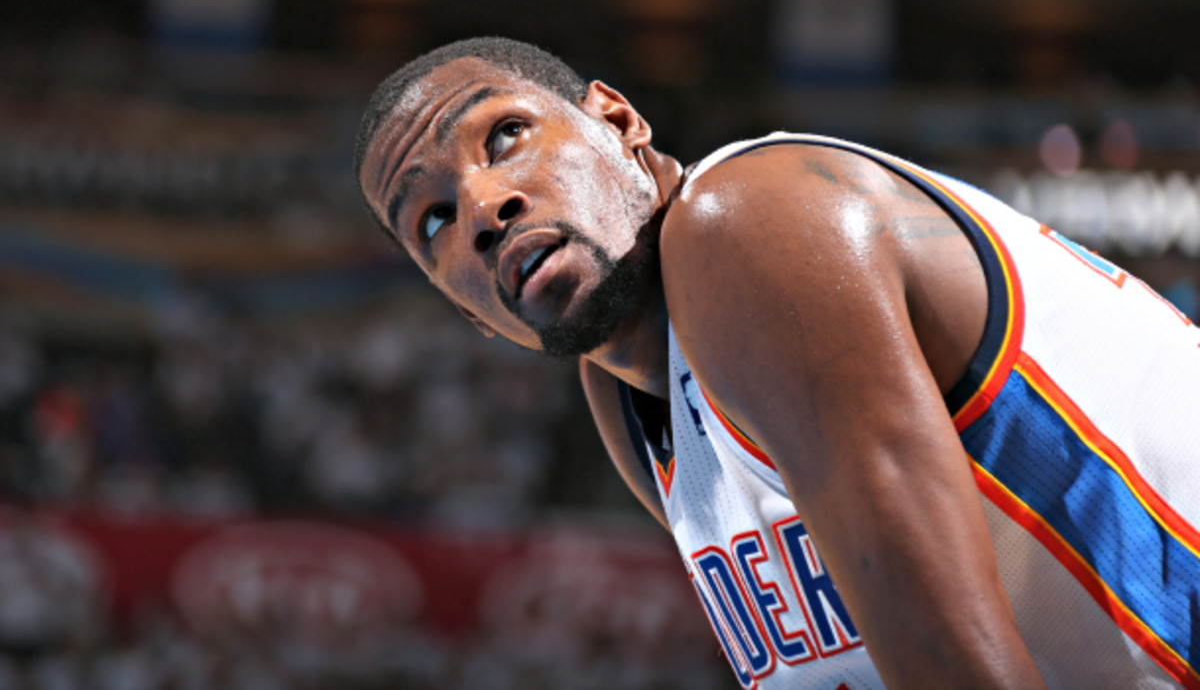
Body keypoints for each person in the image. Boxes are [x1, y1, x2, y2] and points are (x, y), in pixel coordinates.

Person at [355, 37, 1200, 690]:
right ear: (474, 316)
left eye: (505, 136)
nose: (483, 210)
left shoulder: (746, 221)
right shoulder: (624, 395)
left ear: (618, 121)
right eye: (431, 223)